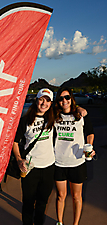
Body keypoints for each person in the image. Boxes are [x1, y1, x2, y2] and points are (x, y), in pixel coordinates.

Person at [13, 88, 55, 225]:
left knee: (42, 202)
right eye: (42, 99)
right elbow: (14, 142)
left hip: (49, 167)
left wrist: (80, 109)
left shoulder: (52, 118)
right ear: (36, 100)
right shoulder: (25, 120)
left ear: (51, 103)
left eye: (48, 100)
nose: (44, 103)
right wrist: (19, 160)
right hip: (30, 168)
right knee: (28, 202)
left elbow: (70, 109)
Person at [53, 87, 95, 225]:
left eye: (67, 97)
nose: (64, 101)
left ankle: (75, 224)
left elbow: (89, 133)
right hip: (59, 162)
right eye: (61, 98)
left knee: (77, 197)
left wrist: (89, 146)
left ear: (71, 99)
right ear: (57, 101)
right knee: (61, 196)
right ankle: (60, 222)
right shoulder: (54, 116)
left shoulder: (80, 115)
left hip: (77, 163)